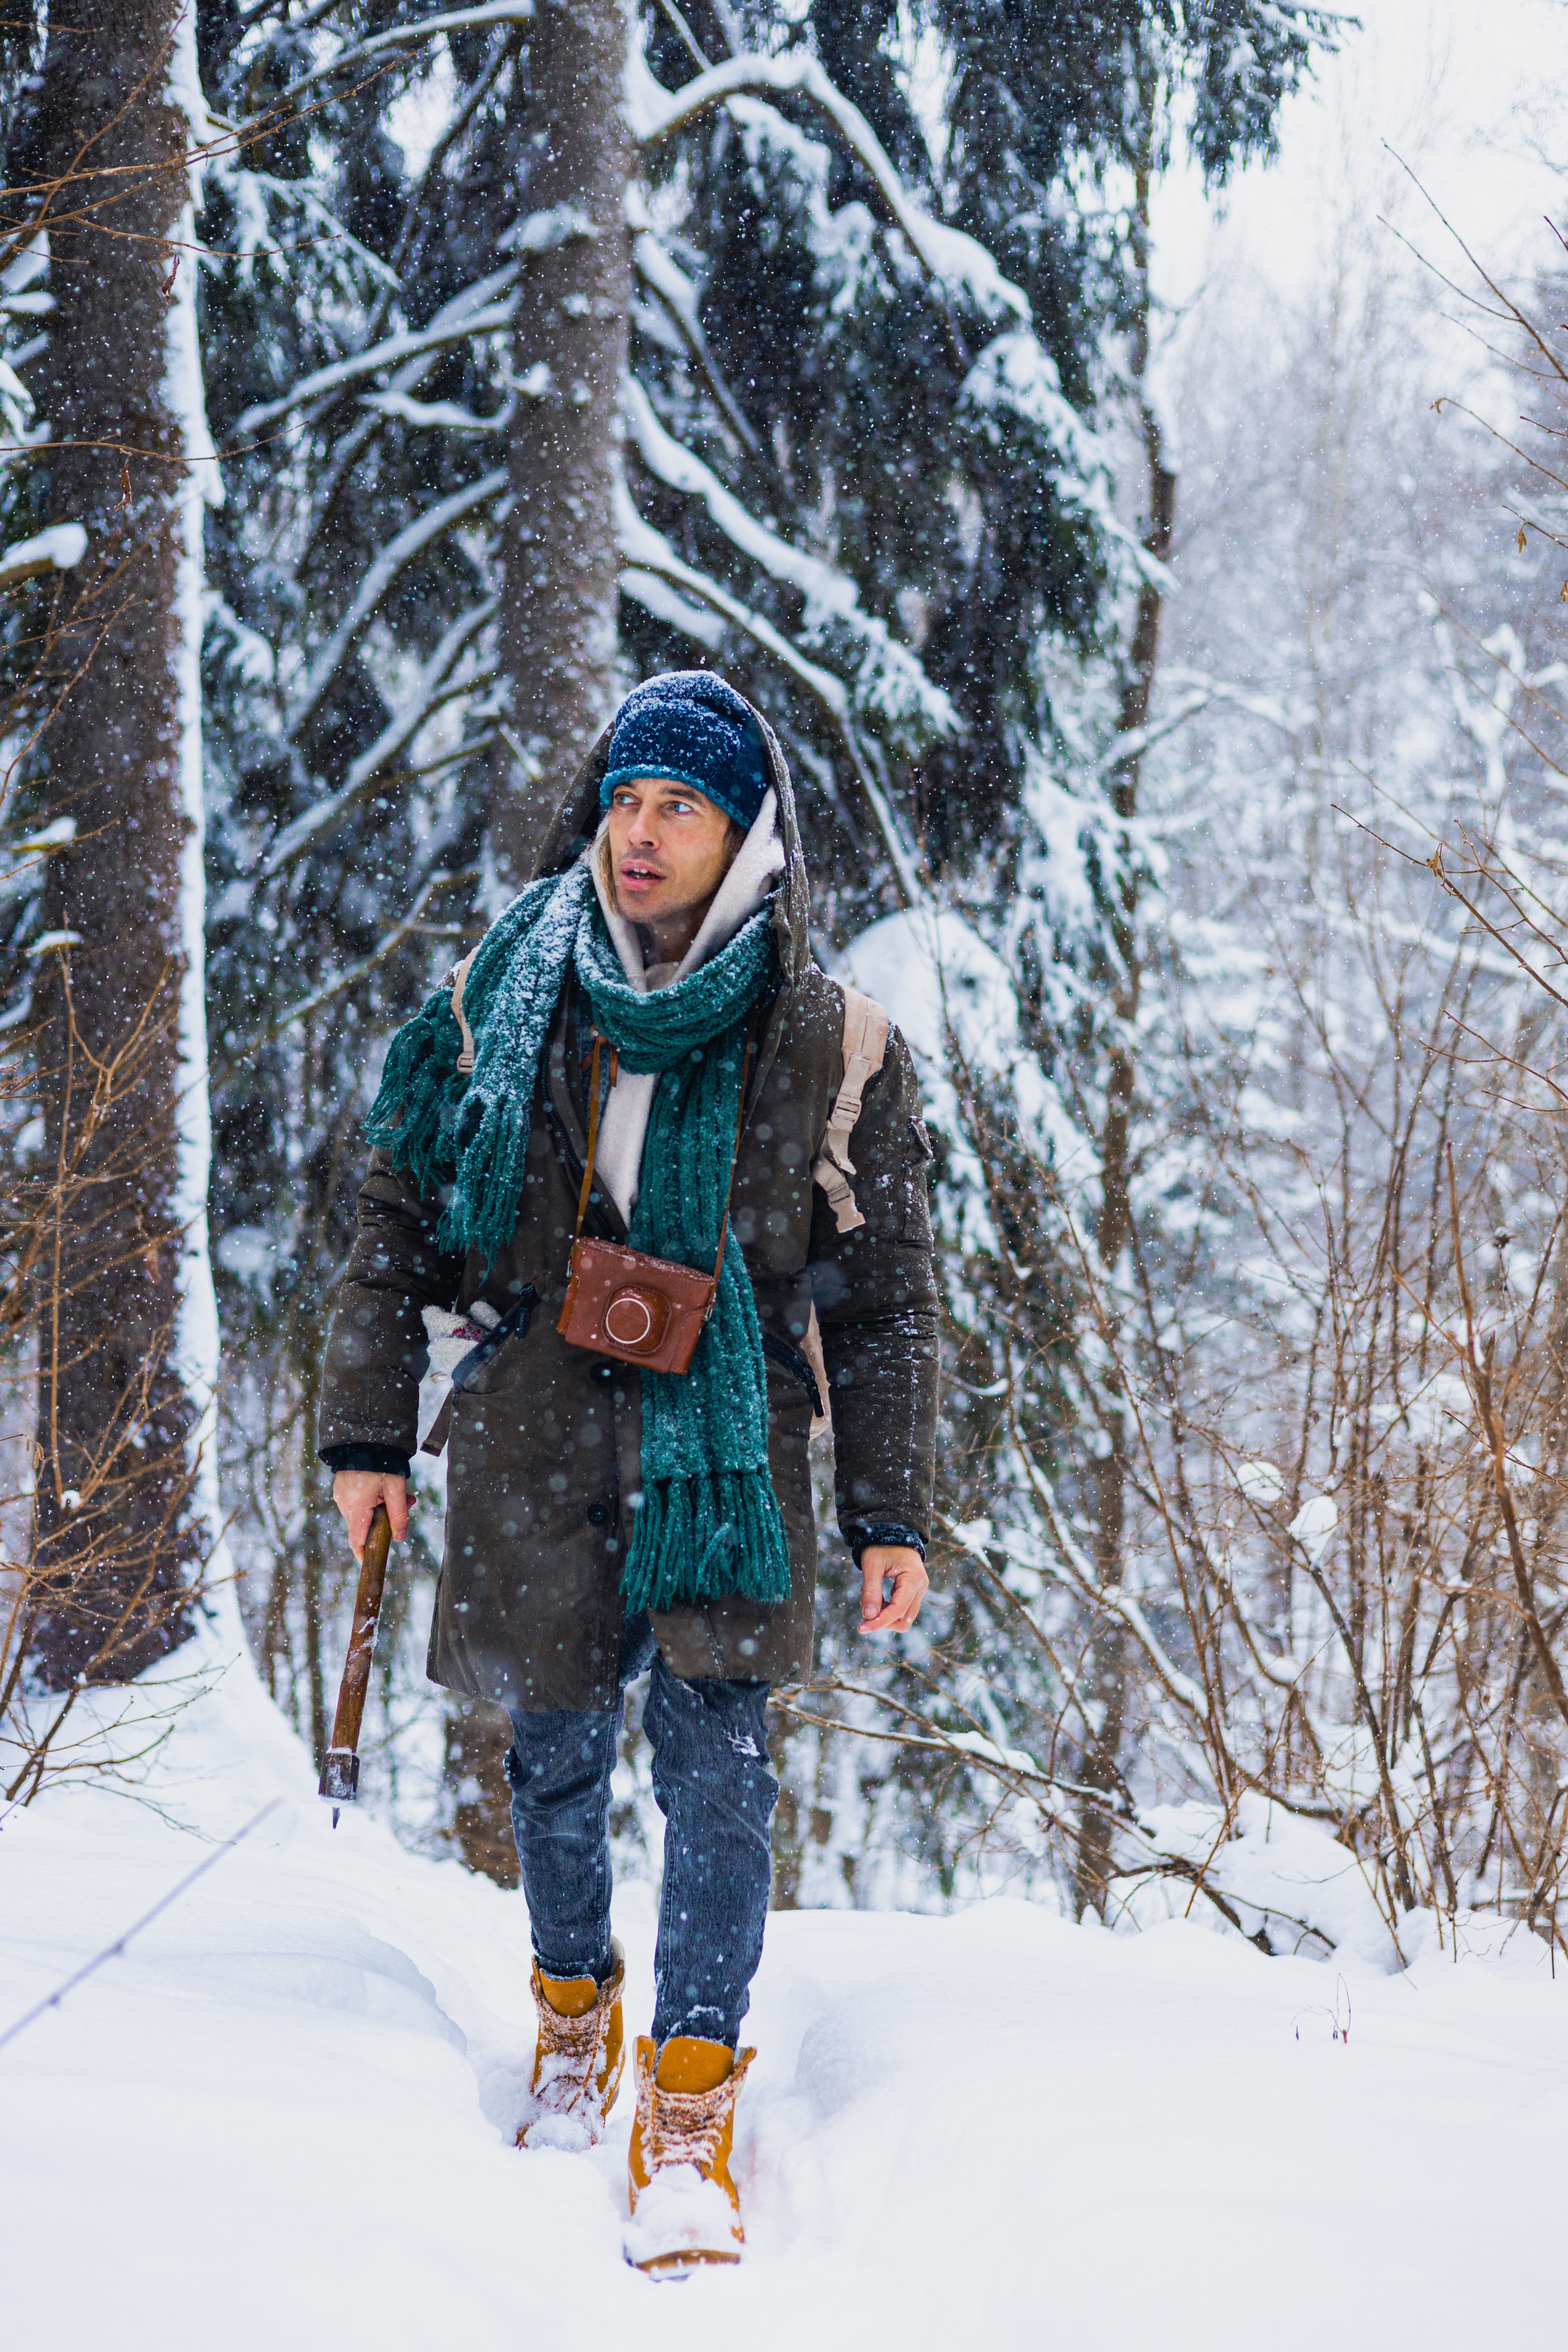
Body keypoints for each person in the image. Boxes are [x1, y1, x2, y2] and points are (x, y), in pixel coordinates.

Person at [318, 670, 937, 2272]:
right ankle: (572, 2015)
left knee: (719, 1771)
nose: (641, 834)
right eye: (626, 802)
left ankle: (690, 2097)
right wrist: (367, 1435)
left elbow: (883, 1302)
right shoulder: (506, 992)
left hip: (727, 1453)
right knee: (552, 1757)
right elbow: (397, 1219)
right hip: (534, 1425)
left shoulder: (833, 1041)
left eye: (681, 807)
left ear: (747, 837)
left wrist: (891, 1513)